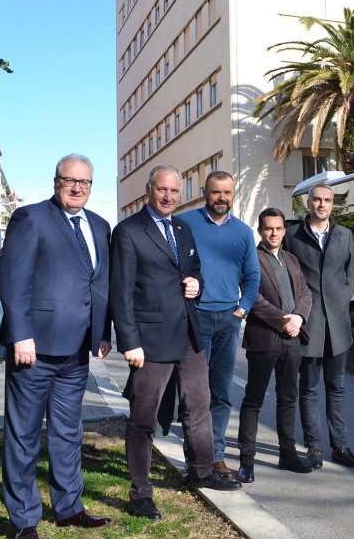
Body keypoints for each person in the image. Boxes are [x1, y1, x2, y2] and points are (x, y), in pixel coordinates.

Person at [110, 165, 240, 523]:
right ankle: (141, 494)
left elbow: (193, 269)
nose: (168, 197)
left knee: (198, 407)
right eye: (162, 190)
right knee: (143, 420)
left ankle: (200, 471)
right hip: (149, 341)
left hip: (189, 335)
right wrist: (129, 342)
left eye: (174, 191)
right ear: (149, 189)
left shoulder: (182, 228)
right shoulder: (128, 231)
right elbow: (119, 293)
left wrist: (195, 283)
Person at [0, 154, 112, 539]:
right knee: (23, 434)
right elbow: (13, 280)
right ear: (56, 181)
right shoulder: (31, 218)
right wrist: (20, 334)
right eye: (70, 180)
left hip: (78, 350)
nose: (77, 187)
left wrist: (103, 332)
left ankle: (69, 507)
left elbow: (100, 284)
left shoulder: (99, 226)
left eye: (85, 182)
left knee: (68, 433)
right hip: (35, 348)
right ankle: (24, 519)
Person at [177, 171, 260, 479]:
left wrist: (242, 309)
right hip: (195, 320)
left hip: (228, 321)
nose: (222, 198)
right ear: (205, 192)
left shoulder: (242, 232)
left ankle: (216, 456)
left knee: (222, 393)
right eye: (216, 192)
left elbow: (252, 276)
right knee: (195, 395)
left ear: (233, 194)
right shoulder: (186, 223)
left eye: (227, 192)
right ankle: (194, 458)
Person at [284, 184, 354, 469]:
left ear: (333, 205)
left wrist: (343, 298)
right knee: (309, 388)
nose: (322, 204)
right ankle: (314, 447)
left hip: (338, 326)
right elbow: (287, 275)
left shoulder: (345, 235)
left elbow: (351, 274)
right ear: (308, 202)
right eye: (317, 199)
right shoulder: (293, 236)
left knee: (337, 387)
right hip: (308, 324)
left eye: (327, 200)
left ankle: (340, 446)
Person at [237, 208, 314, 483]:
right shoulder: (252, 259)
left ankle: (287, 454)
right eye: (269, 228)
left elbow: (305, 292)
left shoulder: (291, 259)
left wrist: (298, 317)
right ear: (260, 231)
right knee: (253, 400)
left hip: (292, 338)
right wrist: (282, 320)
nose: (274, 233)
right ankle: (247, 461)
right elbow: (253, 297)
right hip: (264, 339)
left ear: (284, 230)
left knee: (288, 398)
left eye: (278, 228)